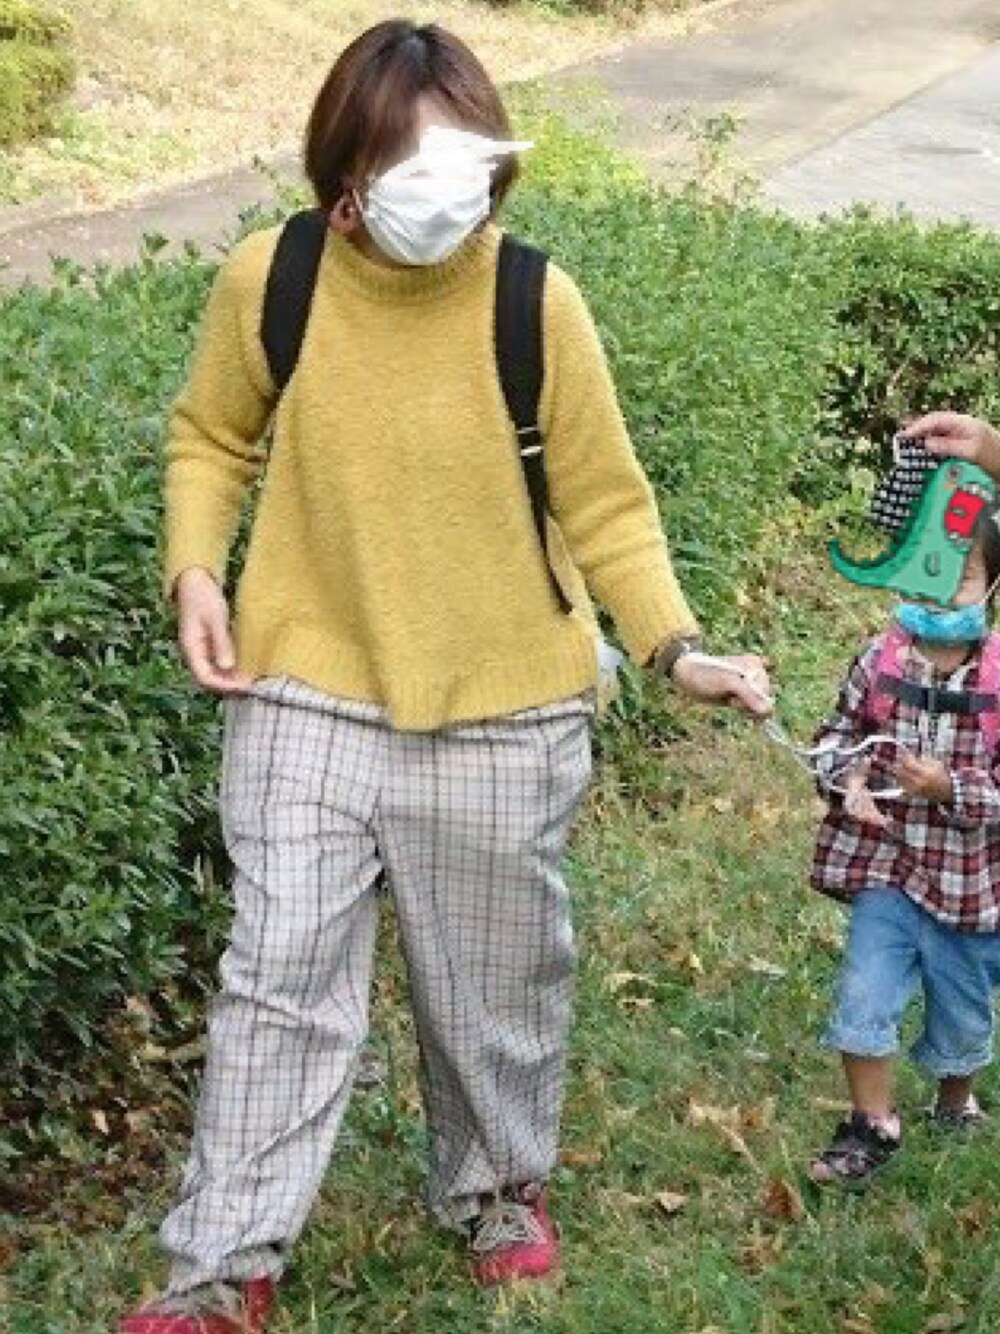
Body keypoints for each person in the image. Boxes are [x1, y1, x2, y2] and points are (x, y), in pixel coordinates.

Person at [119, 20, 770, 1333]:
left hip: (504, 701)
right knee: (278, 973)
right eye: (406, 170)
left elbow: (607, 503)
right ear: (344, 177)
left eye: (463, 164)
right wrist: (195, 566)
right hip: (306, 678)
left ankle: (495, 1188)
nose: (443, 196)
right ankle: (220, 1263)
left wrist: (675, 645)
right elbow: (210, 435)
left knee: (492, 983)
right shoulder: (275, 278)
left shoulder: (535, 302)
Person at [807, 425, 1000, 1186]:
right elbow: (834, 737)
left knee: (962, 1014)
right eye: (924, 576)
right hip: (886, 872)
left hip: (967, 888)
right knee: (864, 992)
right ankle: (871, 1124)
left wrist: (951, 788)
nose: (938, 595)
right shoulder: (878, 662)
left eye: (958, 578)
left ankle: (955, 1096)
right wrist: (846, 779)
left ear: (991, 586)